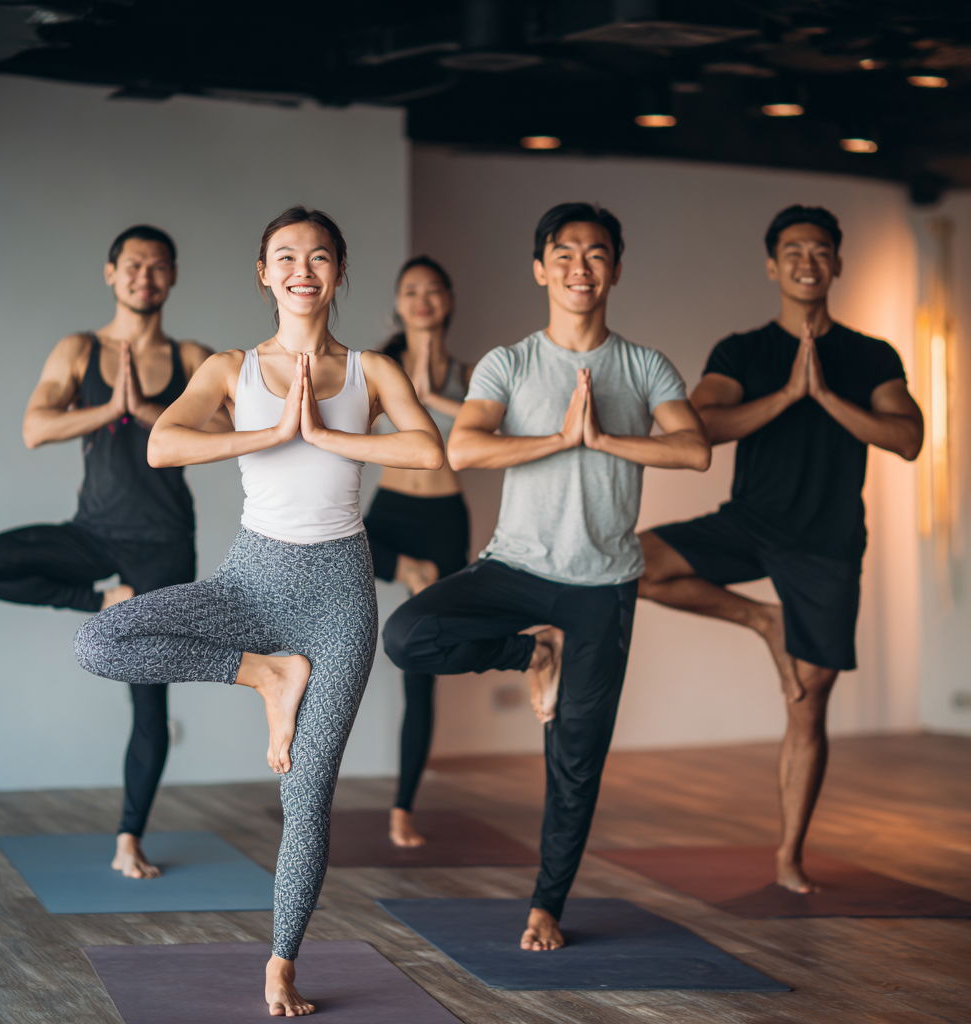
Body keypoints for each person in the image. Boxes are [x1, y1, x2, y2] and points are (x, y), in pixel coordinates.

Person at [73, 206, 443, 1016]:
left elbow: (426, 450)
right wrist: (272, 432)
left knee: (307, 794)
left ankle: (281, 961)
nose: (301, 269)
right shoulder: (231, 368)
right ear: (264, 273)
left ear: (339, 271)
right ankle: (263, 675)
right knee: (100, 641)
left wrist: (328, 434)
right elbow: (163, 444)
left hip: (340, 594)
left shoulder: (372, 370)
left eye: (318, 257)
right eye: (285, 256)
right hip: (251, 580)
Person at [383, 202, 711, 951]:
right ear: (540, 270)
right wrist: (559, 440)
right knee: (408, 637)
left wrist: (604, 438)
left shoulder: (644, 365)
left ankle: (546, 905)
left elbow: (693, 450)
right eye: (564, 255)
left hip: (604, 585)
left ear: (616, 270)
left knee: (575, 754)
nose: (580, 269)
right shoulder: (509, 362)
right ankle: (533, 652)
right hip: (516, 568)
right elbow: (465, 448)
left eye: (596, 255)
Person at [637, 205, 924, 893]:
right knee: (632, 559)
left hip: (826, 542)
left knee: (809, 701)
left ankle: (789, 856)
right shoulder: (745, 351)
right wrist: (789, 393)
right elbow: (700, 424)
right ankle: (762, 621)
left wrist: (825, 396)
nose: (806, 260)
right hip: (753, 521)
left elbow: (907, 437)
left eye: (820, 249)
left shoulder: (870, 355)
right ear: (773, 266)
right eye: (793, 249)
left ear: (837, 264)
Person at [0, 225, 225, 880]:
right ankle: (98, 600)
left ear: (173, 277)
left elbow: (228, 431)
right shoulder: (79, 350)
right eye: (133, 265)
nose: (144, 277)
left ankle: (130, 837)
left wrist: (148, 408)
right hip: (93, 531)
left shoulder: (194, 357)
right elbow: (34, 427)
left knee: (149, 699)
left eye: (158, 267)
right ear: (111, 273)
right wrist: (111, 409)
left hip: (163, 544)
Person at [363, 256, 473, 848]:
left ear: (447, 301)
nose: (423, 298)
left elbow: (494, 433)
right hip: (393, 514)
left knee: (422, 665)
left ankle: (403, 806)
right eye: (411, 290)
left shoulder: (470, 372)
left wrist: (437, 398)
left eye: (433, 289)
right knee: (342, 547)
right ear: (398, 306)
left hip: (445, 518)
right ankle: (405, 569)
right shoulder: (380, 369)